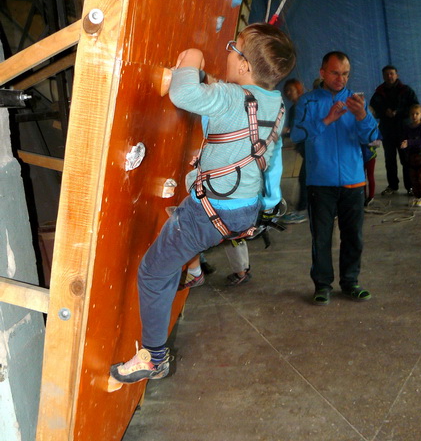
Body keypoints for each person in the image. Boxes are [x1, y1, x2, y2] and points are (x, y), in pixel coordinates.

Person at [110, 23, 296, 382]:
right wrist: (271, 203)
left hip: (210, 212)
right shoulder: (275, 103)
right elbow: (269, 158)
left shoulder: (228, 97)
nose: (226, 51)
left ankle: (154, 358)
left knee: (153, 271)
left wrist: (191, 59)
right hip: (243, 209)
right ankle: (192, 267)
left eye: (233, 47)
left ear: (243, 66)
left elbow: (184, 95)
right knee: (182, 218)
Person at [291, 50, 379, 305]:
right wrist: (327, 119)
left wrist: (362, 116)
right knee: (321, 237)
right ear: (322, 73)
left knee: (354, 236)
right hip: (320, 181)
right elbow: (297, 135)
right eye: (335, 72)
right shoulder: (308, 102)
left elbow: (373, 137)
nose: (341, 78)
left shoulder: (356, 103)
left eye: (345, 74)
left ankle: (350, 282)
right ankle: (322, 285)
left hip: (353, 180)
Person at [370, 65, 418, 195]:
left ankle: (410, 187)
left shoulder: (406, 90)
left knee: (406, 159)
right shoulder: (379, 92)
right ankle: (392, 186)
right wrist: (384, 112)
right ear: (383, 77)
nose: (389, 76)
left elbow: (415, 106)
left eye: (391, 74)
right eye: (386, 74)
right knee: (389, 160)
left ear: (397, 75)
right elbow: (372, 109)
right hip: (387, 131)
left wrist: (399, 112)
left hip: (404, 130)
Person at [281, 78, 307, 224]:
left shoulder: (305, 106)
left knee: (304, 178)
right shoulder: (292, 109)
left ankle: (302, 210)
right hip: (303, 148)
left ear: (298, 89)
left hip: (310, 148)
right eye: (287, 91)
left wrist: (288, 131)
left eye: (291, 90)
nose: (289, 93)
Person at [400, 104, 421, 207]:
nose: (414, 116)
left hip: (420, 156)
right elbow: (405, 139)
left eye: (417, 114)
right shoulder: (408, 127)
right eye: (412, 114)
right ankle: (417, 196)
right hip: (411, 156)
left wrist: (409, 142)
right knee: (413, 178)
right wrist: (404, 145)